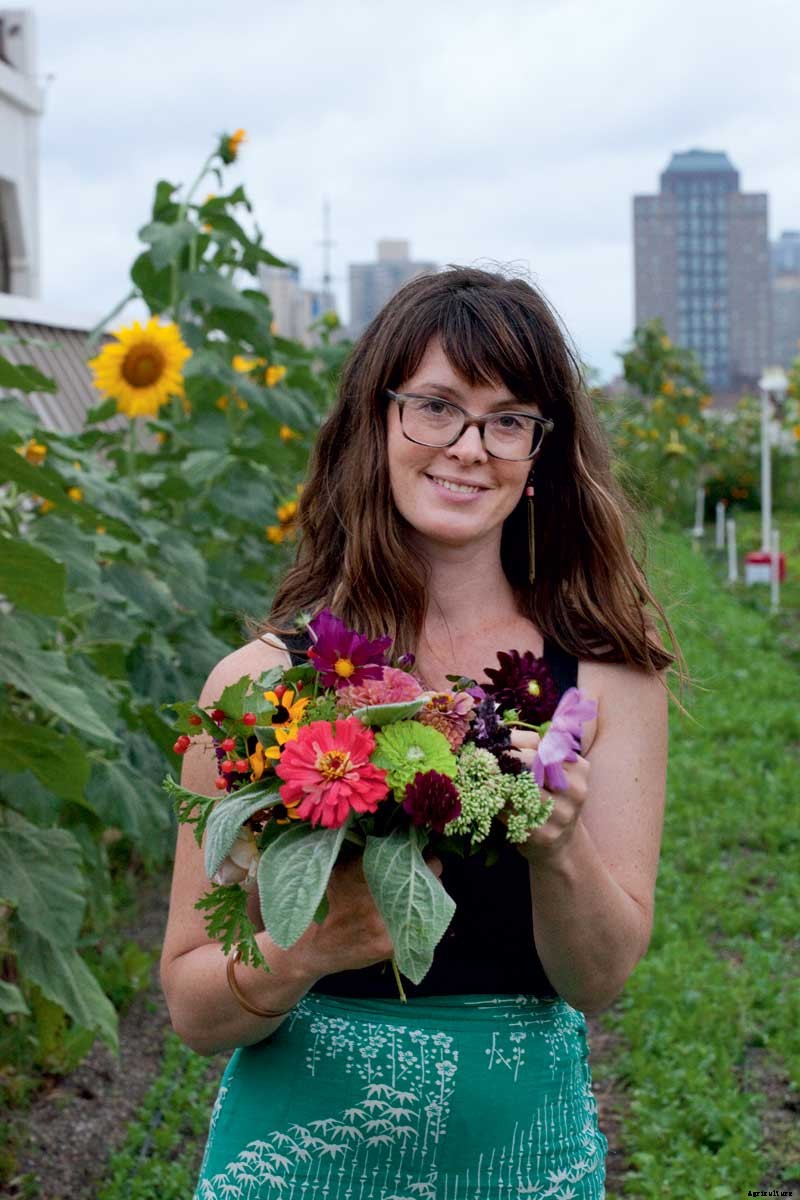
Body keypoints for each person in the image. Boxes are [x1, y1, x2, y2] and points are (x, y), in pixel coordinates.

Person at [161, 266, 680, 1199]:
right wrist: (311, 946)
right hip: (298, 1168)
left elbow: (598, 981)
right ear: (376, 424)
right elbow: (195, 1007)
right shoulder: (261, 687)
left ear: (539, 457)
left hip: (523, 1166)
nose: (468, 448)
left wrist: (559, 850)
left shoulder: (604, 685)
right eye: (436, 406)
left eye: (508, 418)